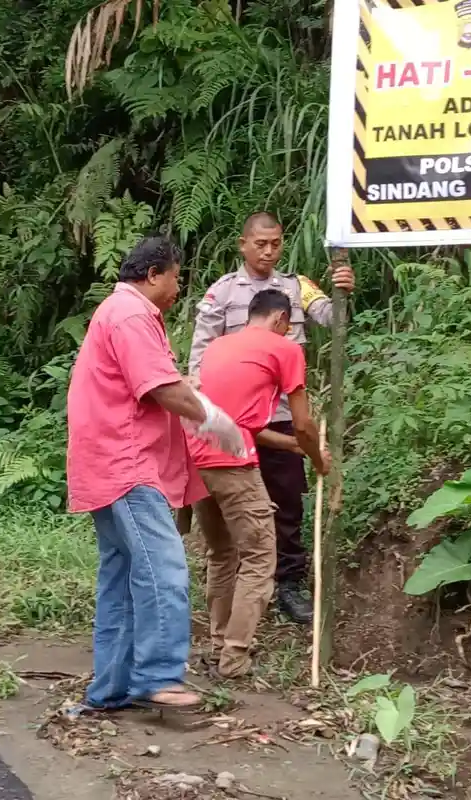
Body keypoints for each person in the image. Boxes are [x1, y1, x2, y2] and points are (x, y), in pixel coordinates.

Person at [66, 235, 244, 712]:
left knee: (122, 577)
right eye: (176, 277)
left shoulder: (120, 313)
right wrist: (212, 420)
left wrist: (198, 404)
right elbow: (163, 388)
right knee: (163, 569)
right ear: (153, 275)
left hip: (107, 461)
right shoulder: (131, 315)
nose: (178, 287)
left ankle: (111, 689)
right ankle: (158, 676)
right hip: (127, 464)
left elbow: (164, 383)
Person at [188, 212, 355, 624]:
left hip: (281, 413)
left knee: (286, 501)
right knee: (228, 501)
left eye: (276, 243)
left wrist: (343, 290)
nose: (268, 251)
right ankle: (234, 586)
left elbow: (335, 321)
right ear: (242, 244)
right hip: (231, 418)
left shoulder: (297, 287)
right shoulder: (223, 292)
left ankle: (288, 583)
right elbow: (199, 354)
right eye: (260, 244)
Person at [189, 290, 330, 678]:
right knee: (260, 558)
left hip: (198, 461)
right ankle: (235, 658)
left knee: (221, 555)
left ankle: (219, 644)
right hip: (234, 464)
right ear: (282, 319)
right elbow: (302, 422)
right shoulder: (285, 350)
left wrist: (295, 449)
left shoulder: (219, 346)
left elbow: (247, 424)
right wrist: (319, 457)